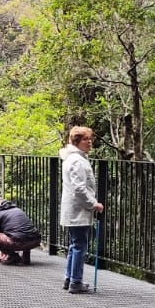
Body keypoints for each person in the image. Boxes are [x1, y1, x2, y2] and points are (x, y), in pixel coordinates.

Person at [59, 125, 102, 293]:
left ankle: (69, 278)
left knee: (74, 244)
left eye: (90, 139)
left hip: (74, 209)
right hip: (78, 210)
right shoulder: (77, 161)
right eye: (85, 139)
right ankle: (75, 282)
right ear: (76, 142)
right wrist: (93, 204)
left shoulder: (73, 158)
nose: (89, 142)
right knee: (79, 245)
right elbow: (79, 188)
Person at [0, 197, 42, 265]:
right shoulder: (17, 210)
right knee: (24, 233)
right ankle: (26, 257)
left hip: (19, 243)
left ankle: (13, 256)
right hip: (35, 241)